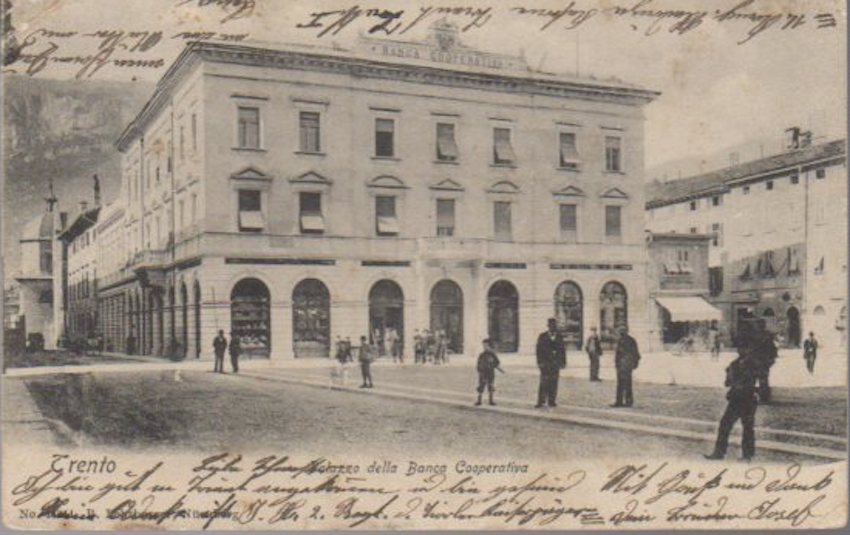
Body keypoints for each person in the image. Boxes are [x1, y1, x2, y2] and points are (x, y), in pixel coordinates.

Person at [704, 347, 759, 461]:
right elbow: (727, 382)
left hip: (746, 398)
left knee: (745, 427)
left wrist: (733, 376)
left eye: (744, 347)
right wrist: (729, 374)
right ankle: (722, 453)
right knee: (727, 425)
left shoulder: (750, 364)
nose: (741, 350)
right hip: (737, 399)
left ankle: (744, 455)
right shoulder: (736, 364)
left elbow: (751, 381)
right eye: (740, 348)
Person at [535, 318, 567, 408]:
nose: (553, 328)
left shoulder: (559, 337)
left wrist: (563, 362)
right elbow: (538, 350)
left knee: (554, 382)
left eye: (554, 326)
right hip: (545, 364)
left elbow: (563, 350)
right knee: (543, 383)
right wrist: (539, 362)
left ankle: (551, 401)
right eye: (551, 326)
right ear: (548, 326)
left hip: (555, 364)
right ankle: (540, 401)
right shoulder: (542, 336)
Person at [612, 327, 640, 407]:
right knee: (626, 384)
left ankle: (621, 401)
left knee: (621, 384)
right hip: (626, 365)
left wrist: (617, 364)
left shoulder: (622, 341)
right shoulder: (631, 340)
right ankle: (627, 401)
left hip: (623, 365)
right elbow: (636, 354)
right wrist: (634, 364)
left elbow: (619, 354)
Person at [751, 321, 777, 403]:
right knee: (762, 379)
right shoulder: (766, 336)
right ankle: (763, 397)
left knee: (756, 379)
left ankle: (762, 397)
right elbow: (773, 350)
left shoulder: (754, 336)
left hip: (759, 361)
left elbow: (772, 350)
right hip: (761, 361)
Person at [475, 339, 504, 406]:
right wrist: (479, 370)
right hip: (483, 373)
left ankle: (491, 401)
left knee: (491, 386)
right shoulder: (482, 354)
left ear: (489, 346)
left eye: (486, 345)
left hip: (490, 372)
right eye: (483, 345)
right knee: (481, 386)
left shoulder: (492, 354)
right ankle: (479, 400)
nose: (484, 347)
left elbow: (497, 362)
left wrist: (492, 365)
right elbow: (478, 363)